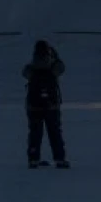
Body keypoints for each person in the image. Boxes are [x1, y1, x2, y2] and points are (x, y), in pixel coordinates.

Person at [23, 40, 68, 168]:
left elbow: (24, 73)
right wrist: (55, 56)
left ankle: (33, 158)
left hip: (34, 105)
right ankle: (59, 158)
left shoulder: (32, 66)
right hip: (51, 105)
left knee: (34, 133)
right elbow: (62, 67)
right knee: (55, 132)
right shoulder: (52, 65)